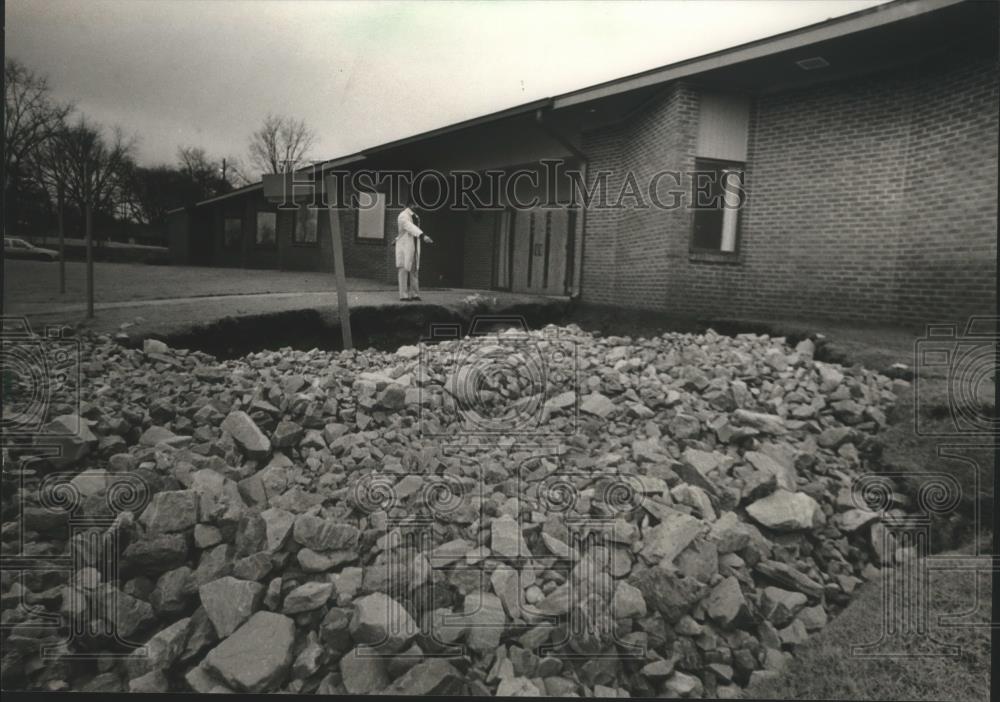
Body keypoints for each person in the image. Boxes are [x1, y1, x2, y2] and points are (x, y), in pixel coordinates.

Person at [395, 203, 433, 301]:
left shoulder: (416, 216)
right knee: (403, 269)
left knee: (414, 269)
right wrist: (423, 235)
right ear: (411, 205)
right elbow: (409, 226)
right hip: (404, 246)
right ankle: (403, 295)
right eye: (416, 204)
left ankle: (415, 294)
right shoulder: (403, 215)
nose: (418, 206)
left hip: (414, 245)